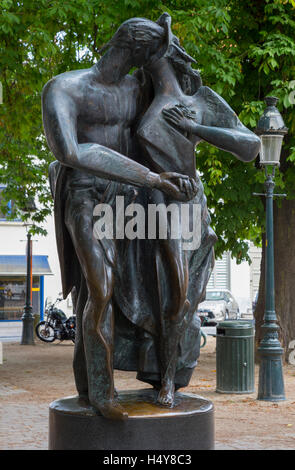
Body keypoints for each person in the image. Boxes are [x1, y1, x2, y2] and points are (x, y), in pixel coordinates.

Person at [42, 16, 198, 420]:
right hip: (83, 193)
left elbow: (174, 113)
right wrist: (152, 178)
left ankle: (129, 374)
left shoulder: (135, 89)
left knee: (137, 287)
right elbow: (71, 153)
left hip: (129, 198)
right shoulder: (64, 88)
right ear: (134, 49)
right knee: (100, 286)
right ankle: (100, 390)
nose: (152, 65)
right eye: (150, 56)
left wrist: (179, 177)